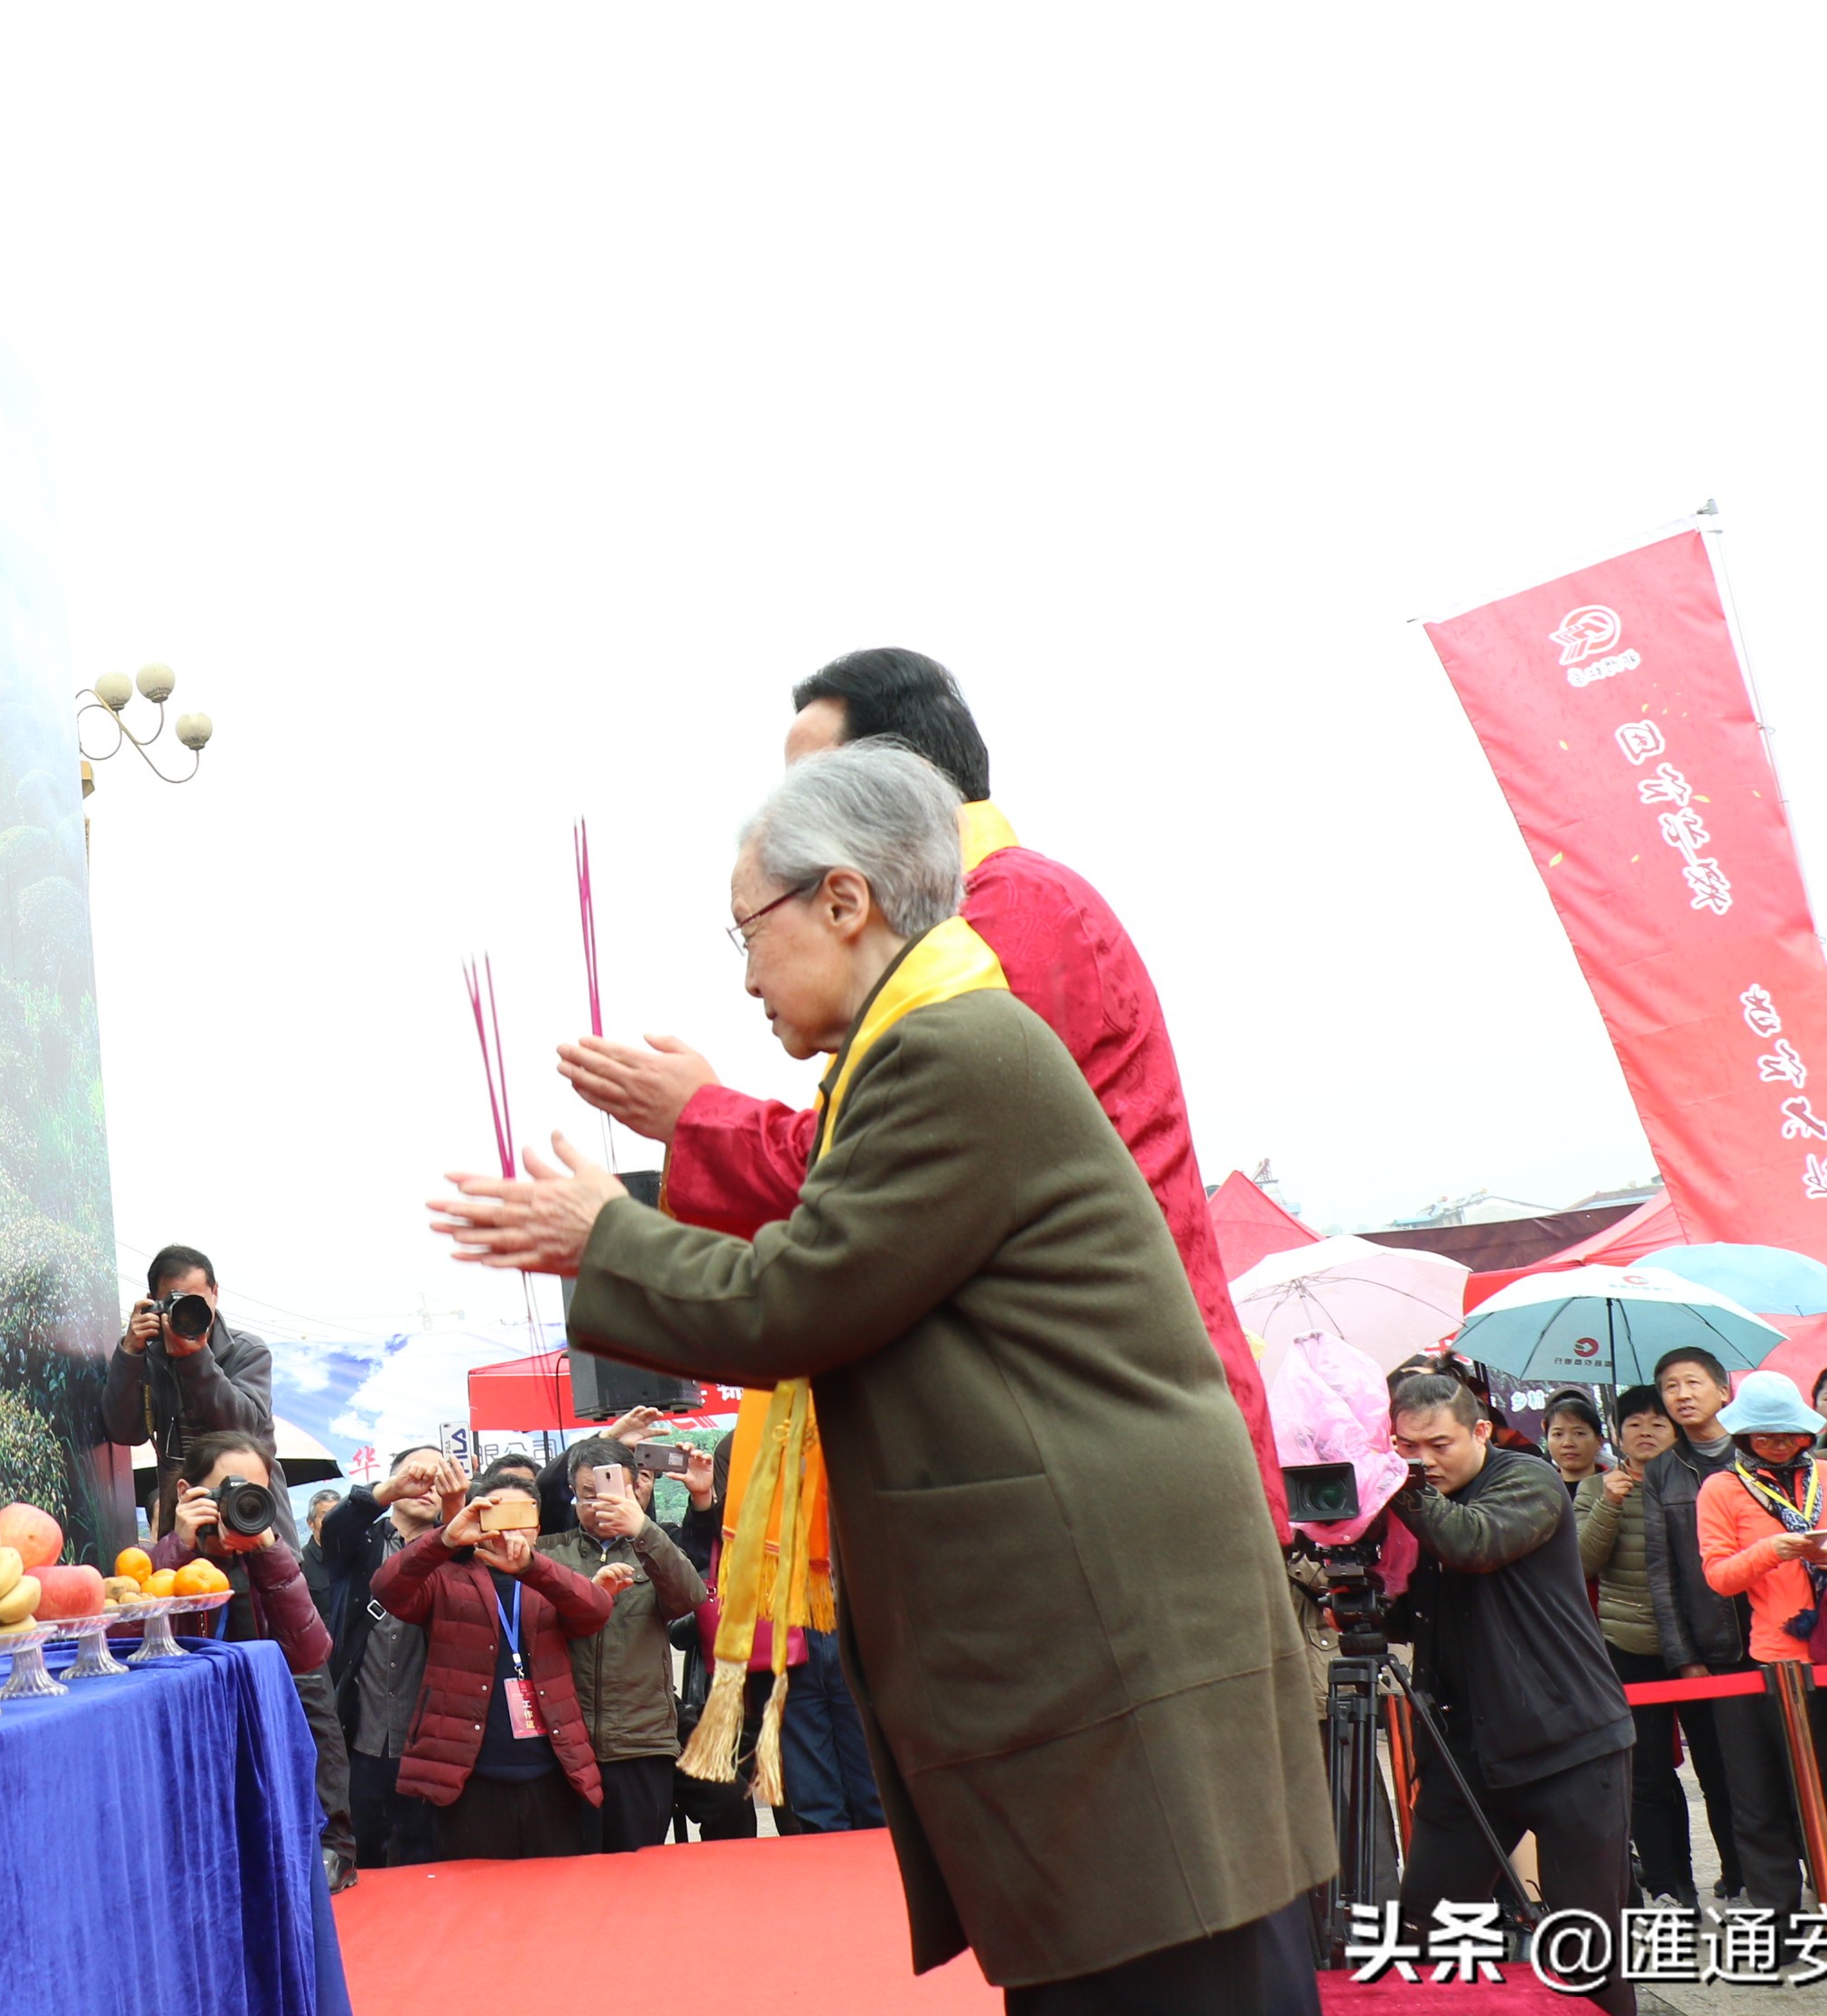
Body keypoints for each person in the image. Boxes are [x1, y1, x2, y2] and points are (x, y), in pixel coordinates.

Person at [436, 740, 1331, 2016]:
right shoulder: (927, 1045)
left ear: (845, 899)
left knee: (1165, 1996)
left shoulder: (948, 1050)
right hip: (1101, 1631)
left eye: (749, 929)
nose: (746, 975)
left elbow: (800, 1296)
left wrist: (605, 1235)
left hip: (1106, 1635)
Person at [551, 646, 1286, 1538]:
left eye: (811, 786)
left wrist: (696, 1118)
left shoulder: (1000, 913)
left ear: (901, 786)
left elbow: (863, 1194)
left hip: (1113, 1462)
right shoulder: (965, 925)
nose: (786, 819)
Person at [1381, 1370, 1637, 2016]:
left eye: (1438, 1445)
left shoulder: (1528, 1478)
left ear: (1480, 1432)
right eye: (1406, 1448)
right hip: (1465, 1748)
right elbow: (1410, 1615)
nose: (1423, 1462)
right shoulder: (1425, 1507)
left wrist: (1394, 1483)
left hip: (1569, 1741)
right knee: (1425, 1927)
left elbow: (1475, 1543)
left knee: (1585, 1944)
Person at [1697, 1372, 1827, 1922]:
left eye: (1789, 1434)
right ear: (1743, 1436)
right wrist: (1773, 1549)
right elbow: (1719, 1575)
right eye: (1764, 1436)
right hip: (1779, 1660)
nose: (1778, 1444)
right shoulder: (1722, 1488)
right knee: (1781, 1798)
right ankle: (1781, 1917)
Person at [367, 1462, 617, 1858]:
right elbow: (387, 1588)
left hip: (552, 1772)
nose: (509, 1528)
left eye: (521, 1516)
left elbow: (596, 1611)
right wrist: (445, 1539)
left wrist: (532, 1567)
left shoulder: (551, 1577)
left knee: (559, 1889)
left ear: (538, 1526)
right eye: (497, 1514)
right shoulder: (447, 1577)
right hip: (467, 1777)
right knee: (476, 1890)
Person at [145, 1431, 352, 1885]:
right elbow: (134, 1646)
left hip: (268, 1746)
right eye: (227, 1490)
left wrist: (269, 1553)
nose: (240, 1502)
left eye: (254, 1492)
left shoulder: (271, 1558)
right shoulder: (157, 1562)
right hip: (195, 1751)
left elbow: (309, 1656)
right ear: (188, 1493)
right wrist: (179, 1547)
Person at [1638, 1344, 1793, 1909]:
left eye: (1692, 1383)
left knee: (1792, 1767)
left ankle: (1805, 1872)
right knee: (1725, 1773)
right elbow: (1663, 1571)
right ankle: (1744, 1875)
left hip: (1781, 1635)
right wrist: (1684, 1655)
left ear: (1724, 1391)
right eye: (1670, 1387)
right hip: (1714, 1646)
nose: (1682, 1395)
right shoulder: (1663, 1471)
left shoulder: (1758, 1452)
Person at [538, 1438, 710, 1852]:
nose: (600, 1505)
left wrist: (642, 1530)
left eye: (613, 1492)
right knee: (574, 1871)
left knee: (637, 1868)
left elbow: (690, 1597)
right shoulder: (551, 1551)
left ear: (635, 1490)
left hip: (640, 1742)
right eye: (588, 1495)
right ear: (573, 1494)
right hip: (567, 1745)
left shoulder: (655, 1549)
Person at [1582, 1385, 1698, 1909]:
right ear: (1617, 1431)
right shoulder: (1596, 1488)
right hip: (1628, 1644)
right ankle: (1670, 1883)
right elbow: (1583, 1562)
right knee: (1647, 1772)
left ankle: (1739, 1876)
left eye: (1658, 1422)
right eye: (1633, 1422)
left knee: (1720, 1768)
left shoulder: (1699, 1481)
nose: (1645, 1431)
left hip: (1697, 1646)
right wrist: (1610, 1502)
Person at [314, 1445, 451, 1869]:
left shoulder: (455, 1550)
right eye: (416, 1475)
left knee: (428, 1865)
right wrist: (391, 1489)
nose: (426, 1485)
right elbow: (336, 1526)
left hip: (432, 1740)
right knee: (363, 1860)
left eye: (438, 1479)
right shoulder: (359, 1542)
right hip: (362, 1734)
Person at [102, 1244, 280, 1539]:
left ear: (215, 1293)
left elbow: (245, 1427)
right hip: (186, 1526)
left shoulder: (247, 1351)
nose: (189, 1313)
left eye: (197, 1301)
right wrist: (130, 1354)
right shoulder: (150, 1356)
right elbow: (124, 1432)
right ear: (154, 1303)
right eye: (176, 1303)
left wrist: (195, 1359)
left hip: (254, 1519)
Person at [1542, 1392, 1605, 1503]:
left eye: (1579, 1433)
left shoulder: (1617, 1486)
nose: (1567, 1443)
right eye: (1558, 1434)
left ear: (1598, 1441)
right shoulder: (1539, 1492)